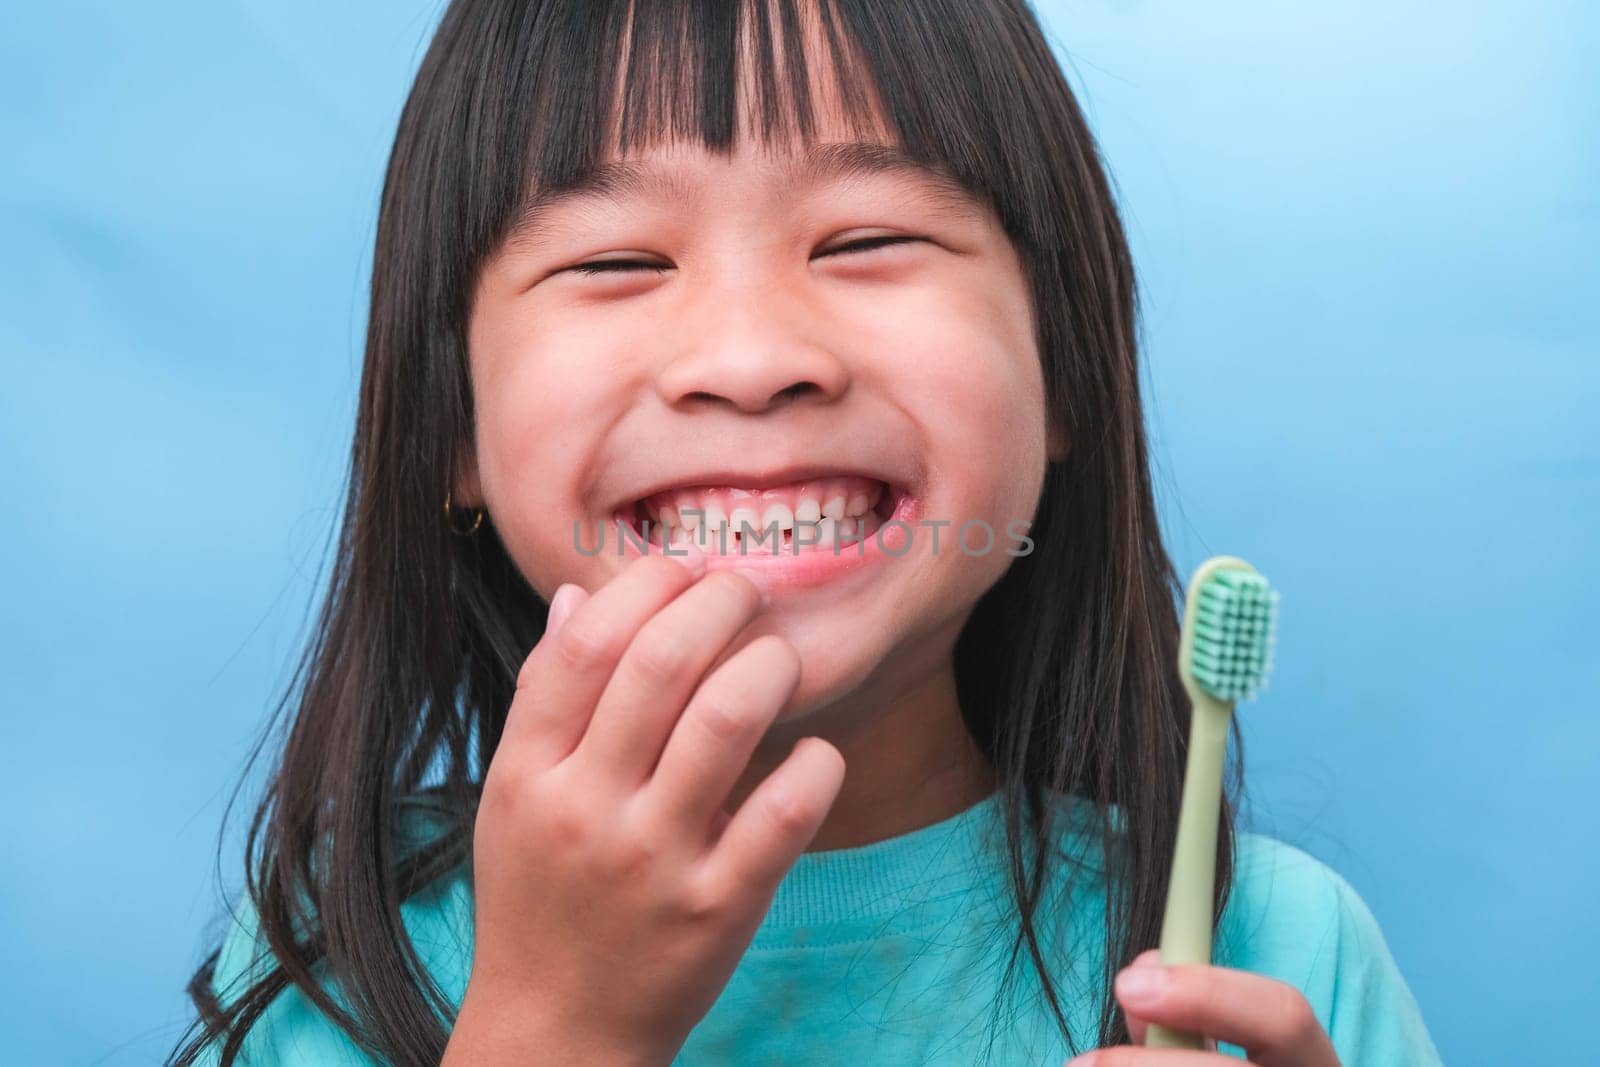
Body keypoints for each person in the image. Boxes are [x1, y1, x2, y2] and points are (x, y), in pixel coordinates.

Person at [173, 1, 1442, 1064]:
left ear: (1062, 378)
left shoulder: (1274, 950)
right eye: (615, 260)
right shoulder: (342, 936)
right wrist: (550, 1024)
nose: (750, 358)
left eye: (869, 238)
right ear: (451, 433)